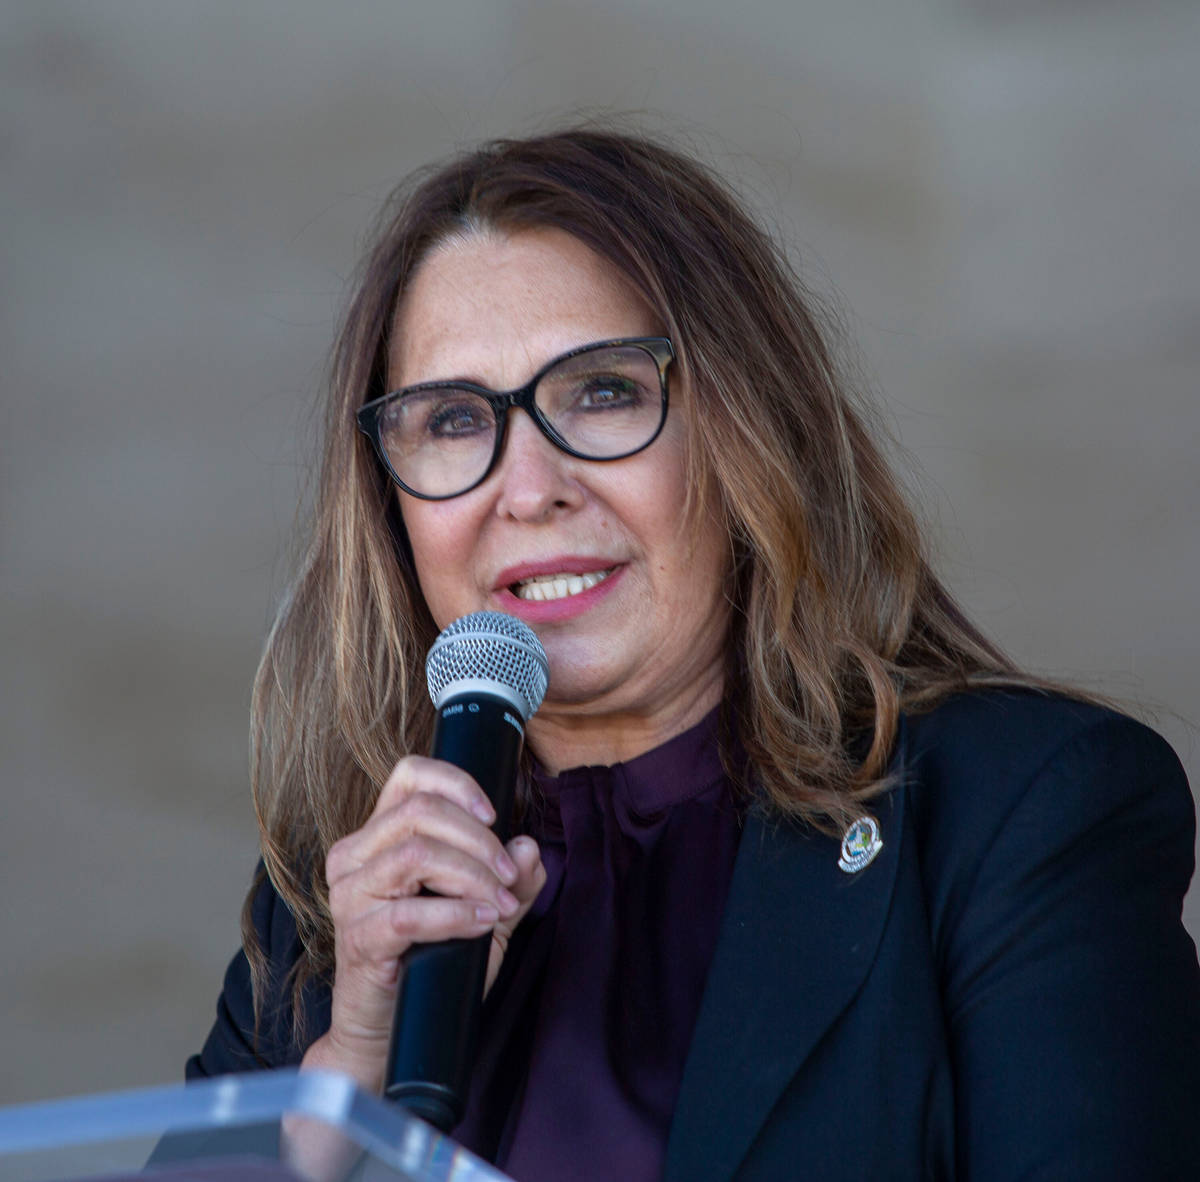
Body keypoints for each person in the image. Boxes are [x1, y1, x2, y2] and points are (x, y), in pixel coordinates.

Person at [188, 125, 1200, 1180]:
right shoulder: (333, 906)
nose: (528, 488)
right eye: (451, 420)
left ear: (744, 430)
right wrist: (348, 1064)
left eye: (604, 391)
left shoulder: (1013, 812)